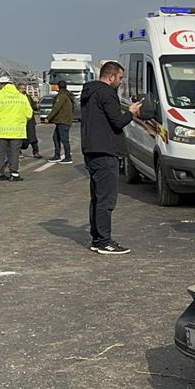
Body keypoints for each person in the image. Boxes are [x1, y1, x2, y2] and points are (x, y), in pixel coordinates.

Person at [80, 60, 141, 255]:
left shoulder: (89, 92)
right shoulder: (107, 93)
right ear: (111, 76)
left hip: (92, 150)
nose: (121, 82)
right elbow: (117, 121)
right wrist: (131, 113)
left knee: (97, 198)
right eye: (120, 78)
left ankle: (97, 238)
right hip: (106, 151)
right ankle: (104, 241)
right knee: (106, 199)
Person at [46, 80, 74, 164]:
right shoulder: (67, 95)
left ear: (58, 87)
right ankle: (57, 156)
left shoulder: (62, 96)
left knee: (64, 139)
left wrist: (49, 118)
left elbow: (56, 108)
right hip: (63, 120)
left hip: (63, 121)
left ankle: (68, 157)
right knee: (55, 137)